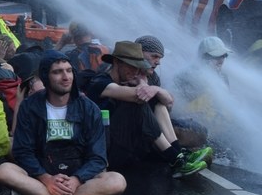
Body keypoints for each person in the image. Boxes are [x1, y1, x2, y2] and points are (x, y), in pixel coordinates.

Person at [0, 51, 125, 195]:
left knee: (117, 181)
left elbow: (98, 157)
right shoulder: (30, 107)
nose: (66, 77)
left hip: (78, 177)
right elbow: (23, 151)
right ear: (45, 76)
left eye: (69, 70)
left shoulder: (89, 108)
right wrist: (46, 178)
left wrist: (76, 179)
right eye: (57, 72)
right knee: (4, 171)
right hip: (43, 173)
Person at [83, 41, 212, 177]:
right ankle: (176, 160)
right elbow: (137, 95)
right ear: (116, 62)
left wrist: (151, 88)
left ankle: (179, 154)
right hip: (104, 151)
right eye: (131, 67)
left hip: (126, 145)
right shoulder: (100, 82)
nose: (136, 72)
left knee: (158, 103)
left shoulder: (130, 80)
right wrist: (144, 84)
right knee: (140, 102)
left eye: (139, 68)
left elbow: (167, 101)